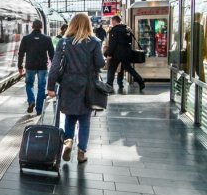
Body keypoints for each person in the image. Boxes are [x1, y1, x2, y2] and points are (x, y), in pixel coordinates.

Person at [47, 13, 106, 163]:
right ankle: (81, 152)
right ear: (88, 25)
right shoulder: (94, 42)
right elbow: (100, 63)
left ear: (72, 24)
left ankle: (68, 142)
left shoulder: (63, 42)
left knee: (70, 117)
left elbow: (54, 67)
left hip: (68, 85)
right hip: (87, 86)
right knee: (85, 120)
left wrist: (50, 87)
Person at [18, 19, 55, 115]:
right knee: (41, 88)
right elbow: (52, 54)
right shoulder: (47, 39)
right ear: (41, 27)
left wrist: (20, 66)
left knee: (29, 85)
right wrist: (54, 67)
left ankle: (31, 101)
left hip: (30, 66)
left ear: (32, 27)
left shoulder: (26, 38)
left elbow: (21, 53)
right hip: (42, 66)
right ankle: (39, 109)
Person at [105, 15, 145, 92]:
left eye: (112, 21)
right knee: (129, 69)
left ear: (114, 21)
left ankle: (109, 85)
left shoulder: (114, 30)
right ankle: (141, 81)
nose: (112, 23)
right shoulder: (127, 29)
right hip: (126, 53)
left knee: (111, 69)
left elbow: (113, 44)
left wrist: (109, 54)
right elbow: (130, 42)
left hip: (116, 54)